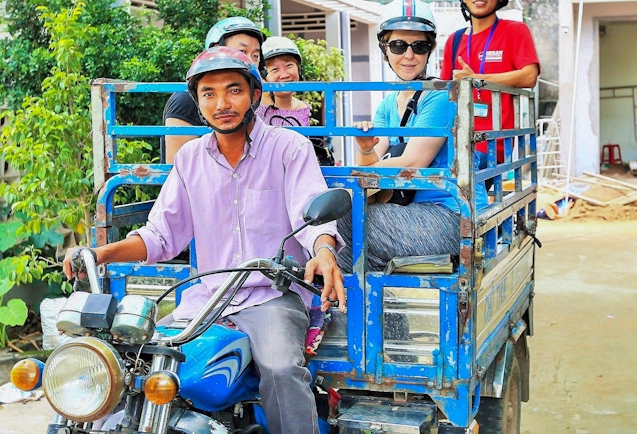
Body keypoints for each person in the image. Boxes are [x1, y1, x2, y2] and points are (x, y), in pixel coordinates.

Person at [64, 46, 345, 434]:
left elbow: (310, 213)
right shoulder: (190, 159)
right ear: (198, 103)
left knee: (281, 368)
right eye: (208, 93)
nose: (222, 103)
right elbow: (160, 235)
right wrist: (100, 253)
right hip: (206, 299)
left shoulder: (288, 147)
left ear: (254, 95)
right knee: (138, 361)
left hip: (271, 295)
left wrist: (325, 250)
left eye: (233, 90)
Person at [337, 0, 488, 273]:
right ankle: (379, 316)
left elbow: (412, 161)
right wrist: (365, 148)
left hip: (454, 215)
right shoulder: (386, 105)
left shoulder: (439, 97)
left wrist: (355, 174)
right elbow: (371, 162)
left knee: (343, 219)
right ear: (385, 48)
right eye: (398, 46)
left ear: (429, 50)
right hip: (414, 212)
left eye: (419, 46)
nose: (408, 55)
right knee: (344, 257)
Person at [440, 0, 540, 168]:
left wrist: (477, 78)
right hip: (454, 142)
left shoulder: (515, 31)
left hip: (491, 145)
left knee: (461, 176)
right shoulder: (454, 40)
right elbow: (443, 92)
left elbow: (530, 76)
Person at [161, 16, 266, 163]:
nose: (249, 61)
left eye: (255, 55)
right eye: (241, 51)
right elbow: (177, 167)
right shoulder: (184, 100)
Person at [258, 36, 335, 166]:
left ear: (299, 69)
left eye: (289, 66)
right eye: (275, 69)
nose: (284, 74)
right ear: (263, 76)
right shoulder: (255, 107)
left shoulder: (303, 108)